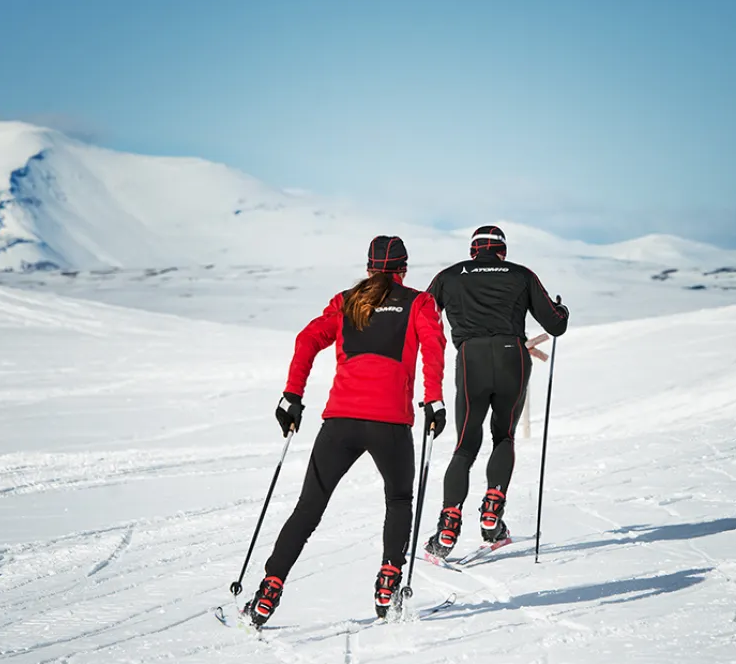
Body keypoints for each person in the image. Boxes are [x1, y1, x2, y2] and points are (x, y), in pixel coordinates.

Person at [243, 235, 447, 627]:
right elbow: (434, 347)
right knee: (399, 500)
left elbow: (307, 339)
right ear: (403, 269)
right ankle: (389, 581)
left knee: (309, 507)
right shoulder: (419, 302)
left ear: (369, 267)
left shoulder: (345, 301)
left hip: (341, 421)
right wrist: (433, 400)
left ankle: (270, 587)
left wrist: (292, 397)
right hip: (391, 422)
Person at [422, 225, 568, 561]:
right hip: (512, 357)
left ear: (474, 251)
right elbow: (555, 324)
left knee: (466, 444)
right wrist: (562, 310)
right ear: (502, 251)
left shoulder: (449, 275)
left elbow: (424, 314)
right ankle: (492, 512)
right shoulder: (521, 274)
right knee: (503, 437)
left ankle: (448, 523)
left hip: (470, 358)